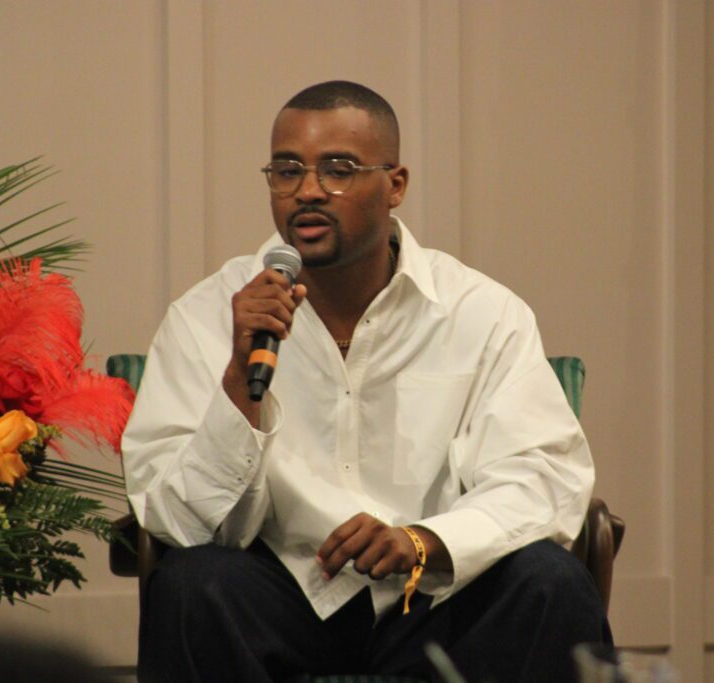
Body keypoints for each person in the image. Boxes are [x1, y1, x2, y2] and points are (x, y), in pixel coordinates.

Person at [123, 80, 611, 682]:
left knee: (551, 584)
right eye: (286, 170)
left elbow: (544, 477)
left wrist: (425, 541)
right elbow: (177, 519)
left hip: (436, 601)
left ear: (395, 185)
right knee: (193, 585)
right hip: (280, 601)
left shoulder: (482, 314)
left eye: (338, 169)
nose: (307, 191)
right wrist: (235, 386)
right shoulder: (203, 317)